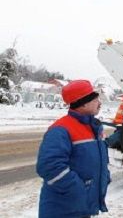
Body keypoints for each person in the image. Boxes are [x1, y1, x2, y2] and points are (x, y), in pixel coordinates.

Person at [36, 80, 110, 218]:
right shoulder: (60, 130)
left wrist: (104, 177)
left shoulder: (94, 128)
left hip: (82, 208)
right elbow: (49, 167)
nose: (100, 103)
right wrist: (80, 189)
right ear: (82, 103)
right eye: (95, 100)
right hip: (63, 211)